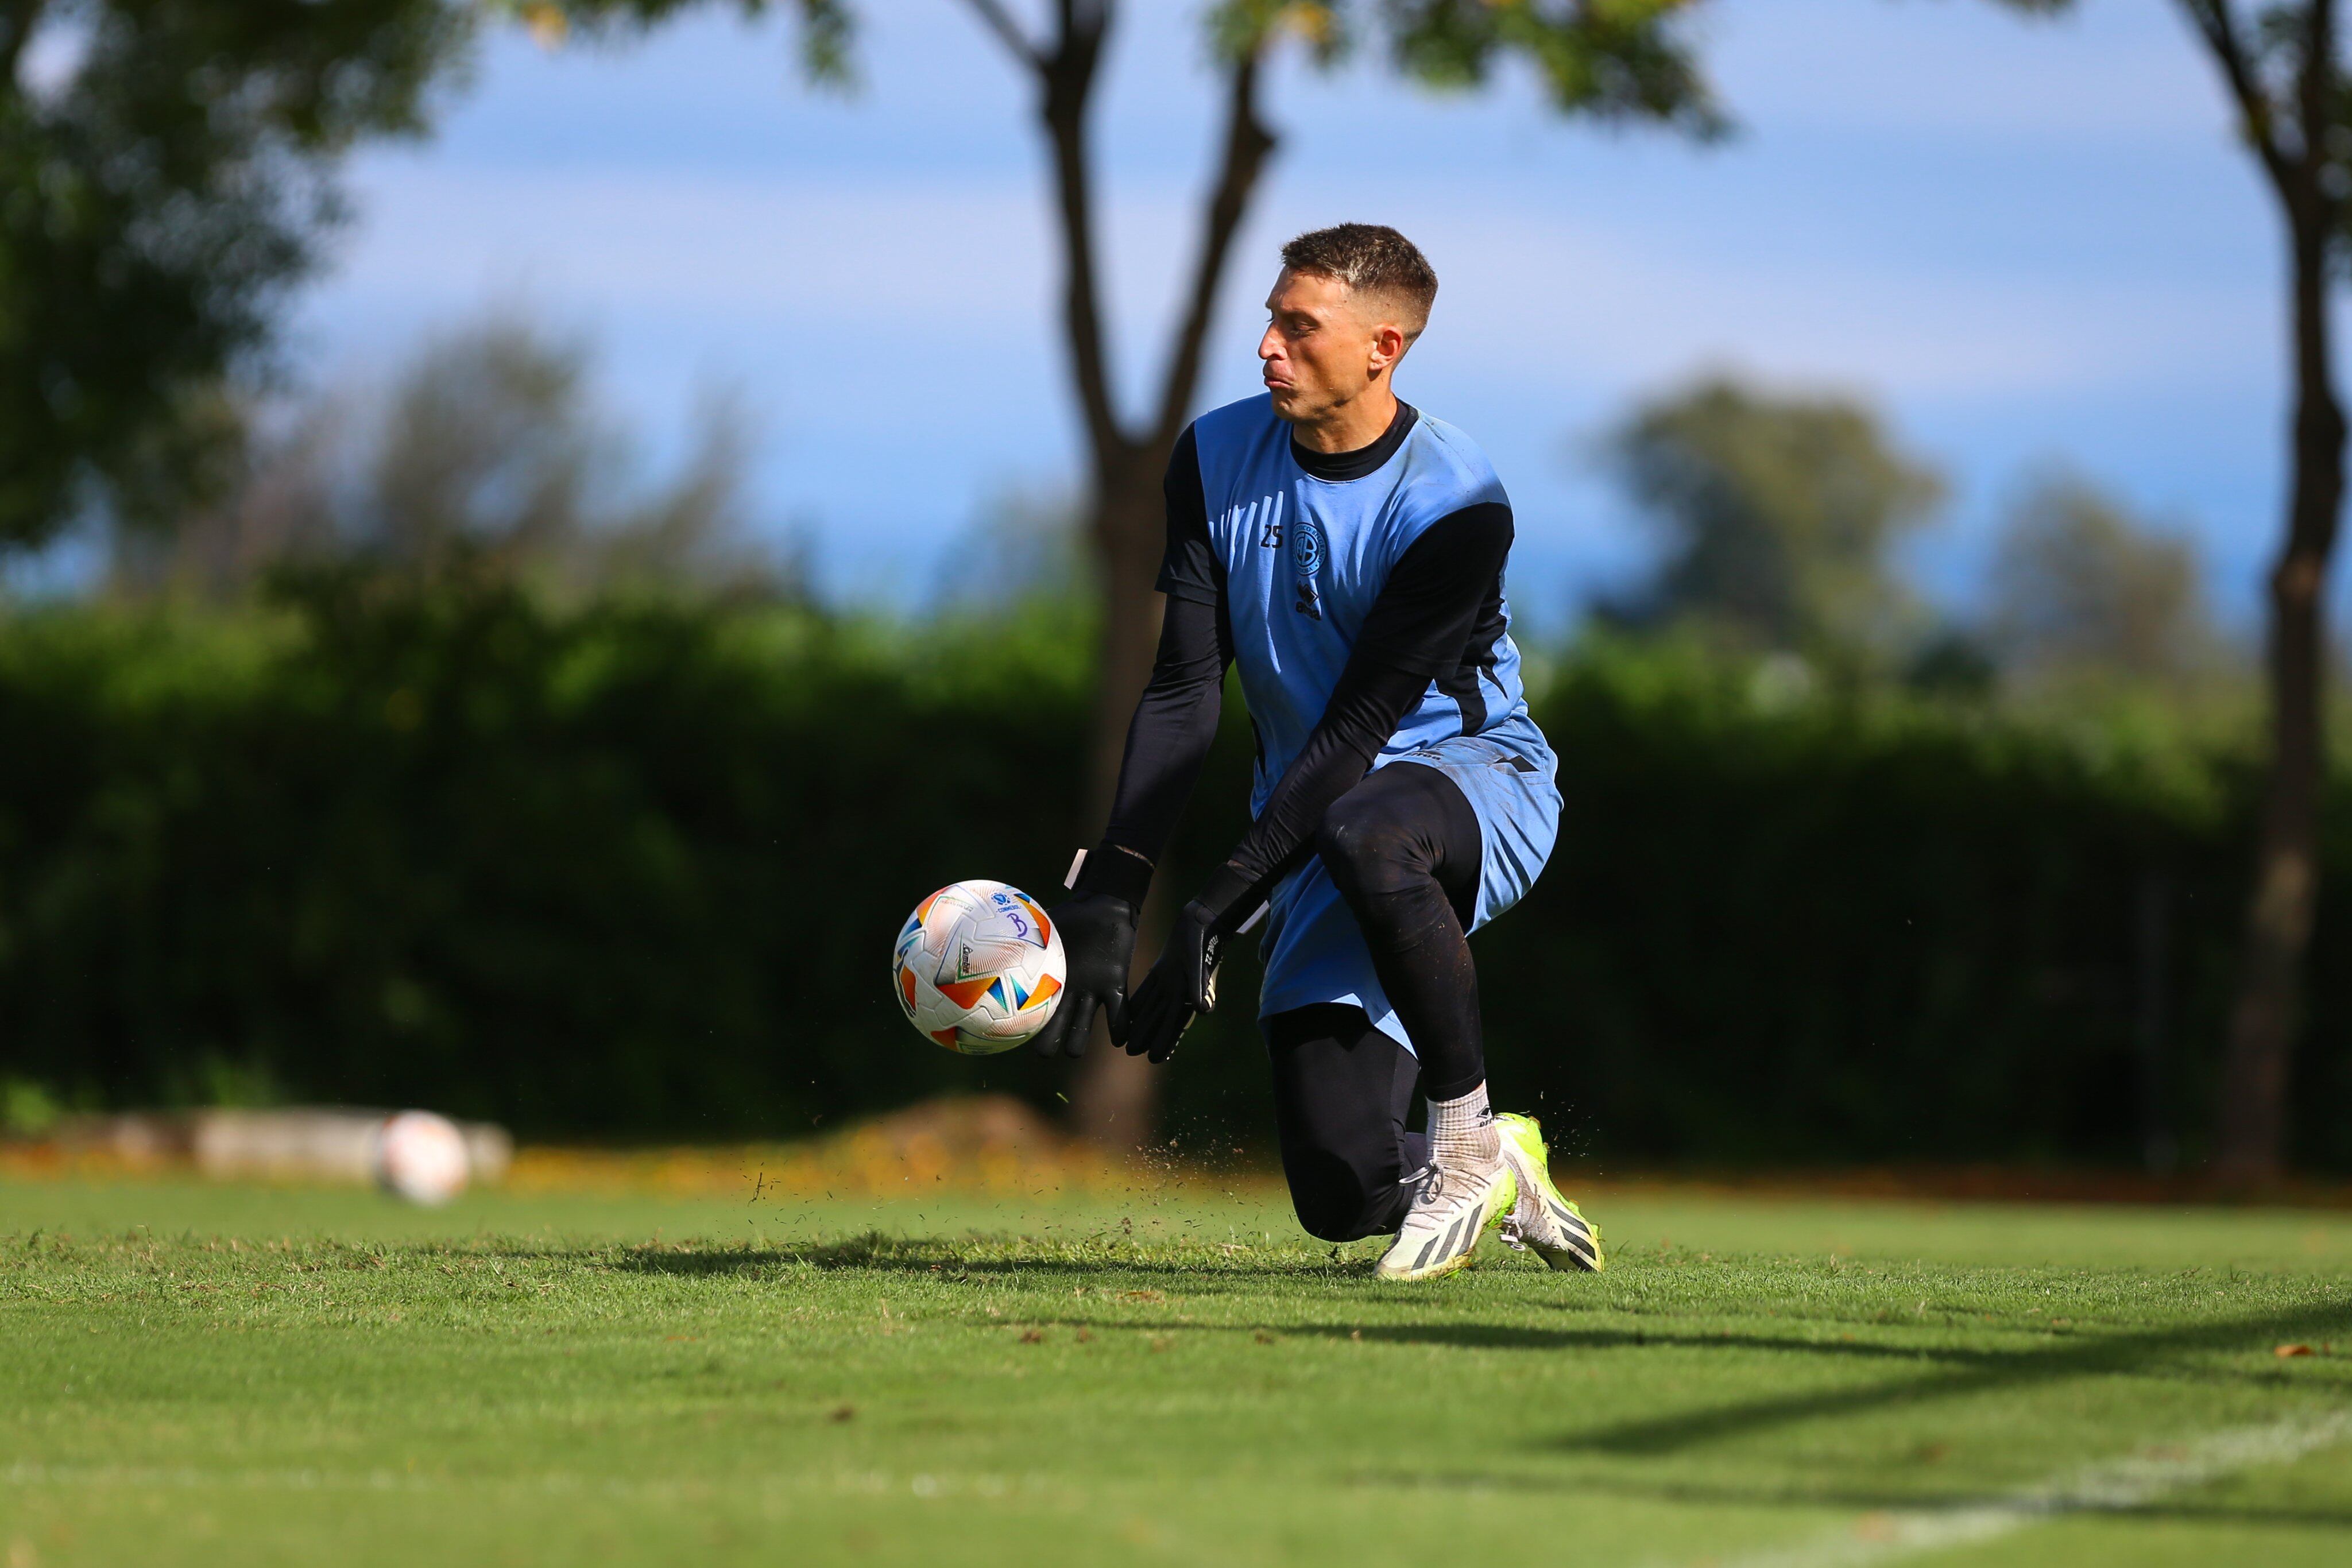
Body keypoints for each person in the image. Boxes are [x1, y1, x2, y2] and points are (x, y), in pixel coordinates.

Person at [1029, 223, 1600, 1281]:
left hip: (1474, 783)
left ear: (1385, 347)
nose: (1267, 349)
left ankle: (1468, 1135)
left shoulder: (1456, 503)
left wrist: (1216, 908)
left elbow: (1358, 737)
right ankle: (1497, 1163)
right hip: (1322, 821)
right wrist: (1115, 886)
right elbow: (1186, 687)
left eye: (1300, 328)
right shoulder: (1212, 456)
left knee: (1368, 822)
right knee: (1342, 1192)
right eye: (1270, 320)